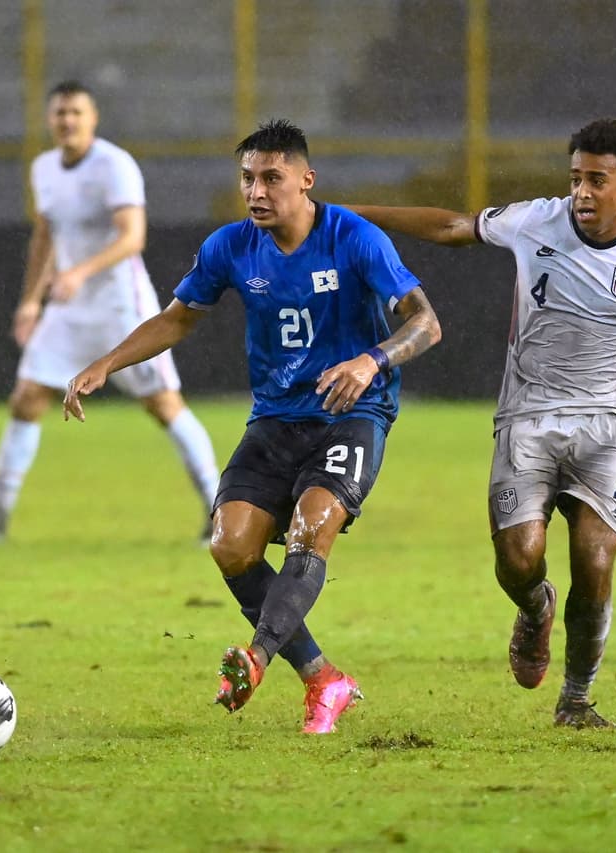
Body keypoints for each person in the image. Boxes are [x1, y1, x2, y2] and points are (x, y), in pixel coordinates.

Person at [63, 119, 442, 734]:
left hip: (353, 414)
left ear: (306, 181)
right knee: (230, 545)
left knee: (309, 528)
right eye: (247, 179)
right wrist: (106, 364)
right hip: (275, 417)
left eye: (272, 178)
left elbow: (426, 324)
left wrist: (372, 359)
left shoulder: (355, 238)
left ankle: (258, 658)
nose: (257, 191)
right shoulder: (230, 247)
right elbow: (175, 320)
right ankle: (324, 679)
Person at [351, 117, 616, 729]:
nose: (582, 193)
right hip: (528, 416)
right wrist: (351, 215)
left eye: (597, 180)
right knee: (519, 557)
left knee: (594, 563)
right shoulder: (536, 219)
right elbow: (454, 226)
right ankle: (537, 609)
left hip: (604, 423)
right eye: (575, 179)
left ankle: (577, 700)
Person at [0, 80, 220, 544]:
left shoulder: (115, 165)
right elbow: (46, 237)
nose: (67, 121)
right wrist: (31, 300)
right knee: (27, 397)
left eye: (76, 112)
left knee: (163, 404)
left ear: (92, 119)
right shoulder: (45, 168)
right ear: (49, 120)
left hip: (120, 306)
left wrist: (80, 271)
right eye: (59, 113)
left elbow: (132, 237)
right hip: (70, 309)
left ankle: (219, 513)